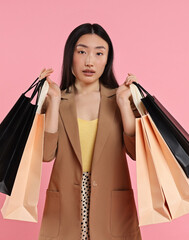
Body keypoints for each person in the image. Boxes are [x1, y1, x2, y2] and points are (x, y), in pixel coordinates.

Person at [38, 23, 142, 240]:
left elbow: (136, 152)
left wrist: (124, 104)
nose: (89, 61)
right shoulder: (57, 99)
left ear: (107, 59)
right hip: (66, 204)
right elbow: (46, 154)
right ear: (70, 56)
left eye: (99, 53)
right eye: (82, 51)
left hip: (110, 206)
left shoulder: (121, 98)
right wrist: (55, 100)